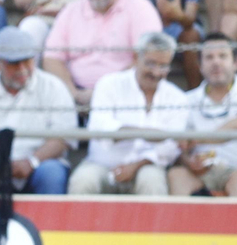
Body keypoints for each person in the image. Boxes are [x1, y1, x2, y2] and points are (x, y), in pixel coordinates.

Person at [0, 25, 77, 194]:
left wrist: (32, 162)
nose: (23, 69)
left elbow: (63, 138)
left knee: (52, 173)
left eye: (27, 60)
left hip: (39, 165)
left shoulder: (53, 87)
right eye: (15, 63)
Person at [68, 32, 188, 197]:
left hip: (146, 167)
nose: (156, 72)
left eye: (163, 66)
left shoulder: (177, 97)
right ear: (135, 57)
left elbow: (171, 147)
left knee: (152, 180)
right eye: (151, 64)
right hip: (102, 164)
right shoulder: (109, 84)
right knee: (83, 180)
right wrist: (151, 134)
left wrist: (136, 165)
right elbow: (100, 127)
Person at [170, 33, 237, 198]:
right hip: (202, 172)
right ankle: (182, 224)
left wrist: (202, 138)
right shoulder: (187, 99)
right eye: (209, 57)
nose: (216, 62)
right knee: (177, 175)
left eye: (222, 56)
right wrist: (188, 161)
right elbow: (180, 145)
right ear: (200, 66)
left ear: (236, 62)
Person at [43, 0, 162, 107]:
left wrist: (103, 94)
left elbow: (149, 58)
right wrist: (73, 94)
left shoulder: (140, 8)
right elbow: (52, 59)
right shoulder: (71, 11)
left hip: (125, 98)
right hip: (75, 99)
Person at [133, 0, 205, 86]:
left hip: (182, 26)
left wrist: (176, 13)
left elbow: (190, 19)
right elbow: (144, 14)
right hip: (151, 25)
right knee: (142, 35)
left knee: (191, 36)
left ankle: (194, 91)